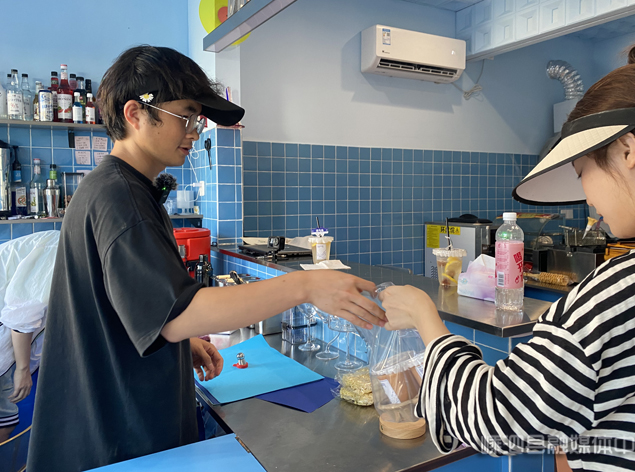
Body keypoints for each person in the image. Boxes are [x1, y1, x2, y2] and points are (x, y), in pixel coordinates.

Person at [27, 46, 385, 472]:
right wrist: (305, 285)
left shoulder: (119, 188)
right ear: (135, 114)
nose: (195, 132)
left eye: (198, 120)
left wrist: (178, 343)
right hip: (114, 443)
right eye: (186, 116)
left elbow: (140, 310)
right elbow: (180, 313)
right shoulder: (121, 198)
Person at [379, 17, 635, 472]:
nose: (587, 197)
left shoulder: (624, 289)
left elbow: (495, 421)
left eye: (582, 173)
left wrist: (424, 317)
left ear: (627, 150)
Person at [0, 231, 59, 443]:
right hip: (8, 336)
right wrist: (23, 369)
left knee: (6, 423)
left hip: (9, 345)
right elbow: (22, 315)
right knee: (4, 424)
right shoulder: (57, 248)